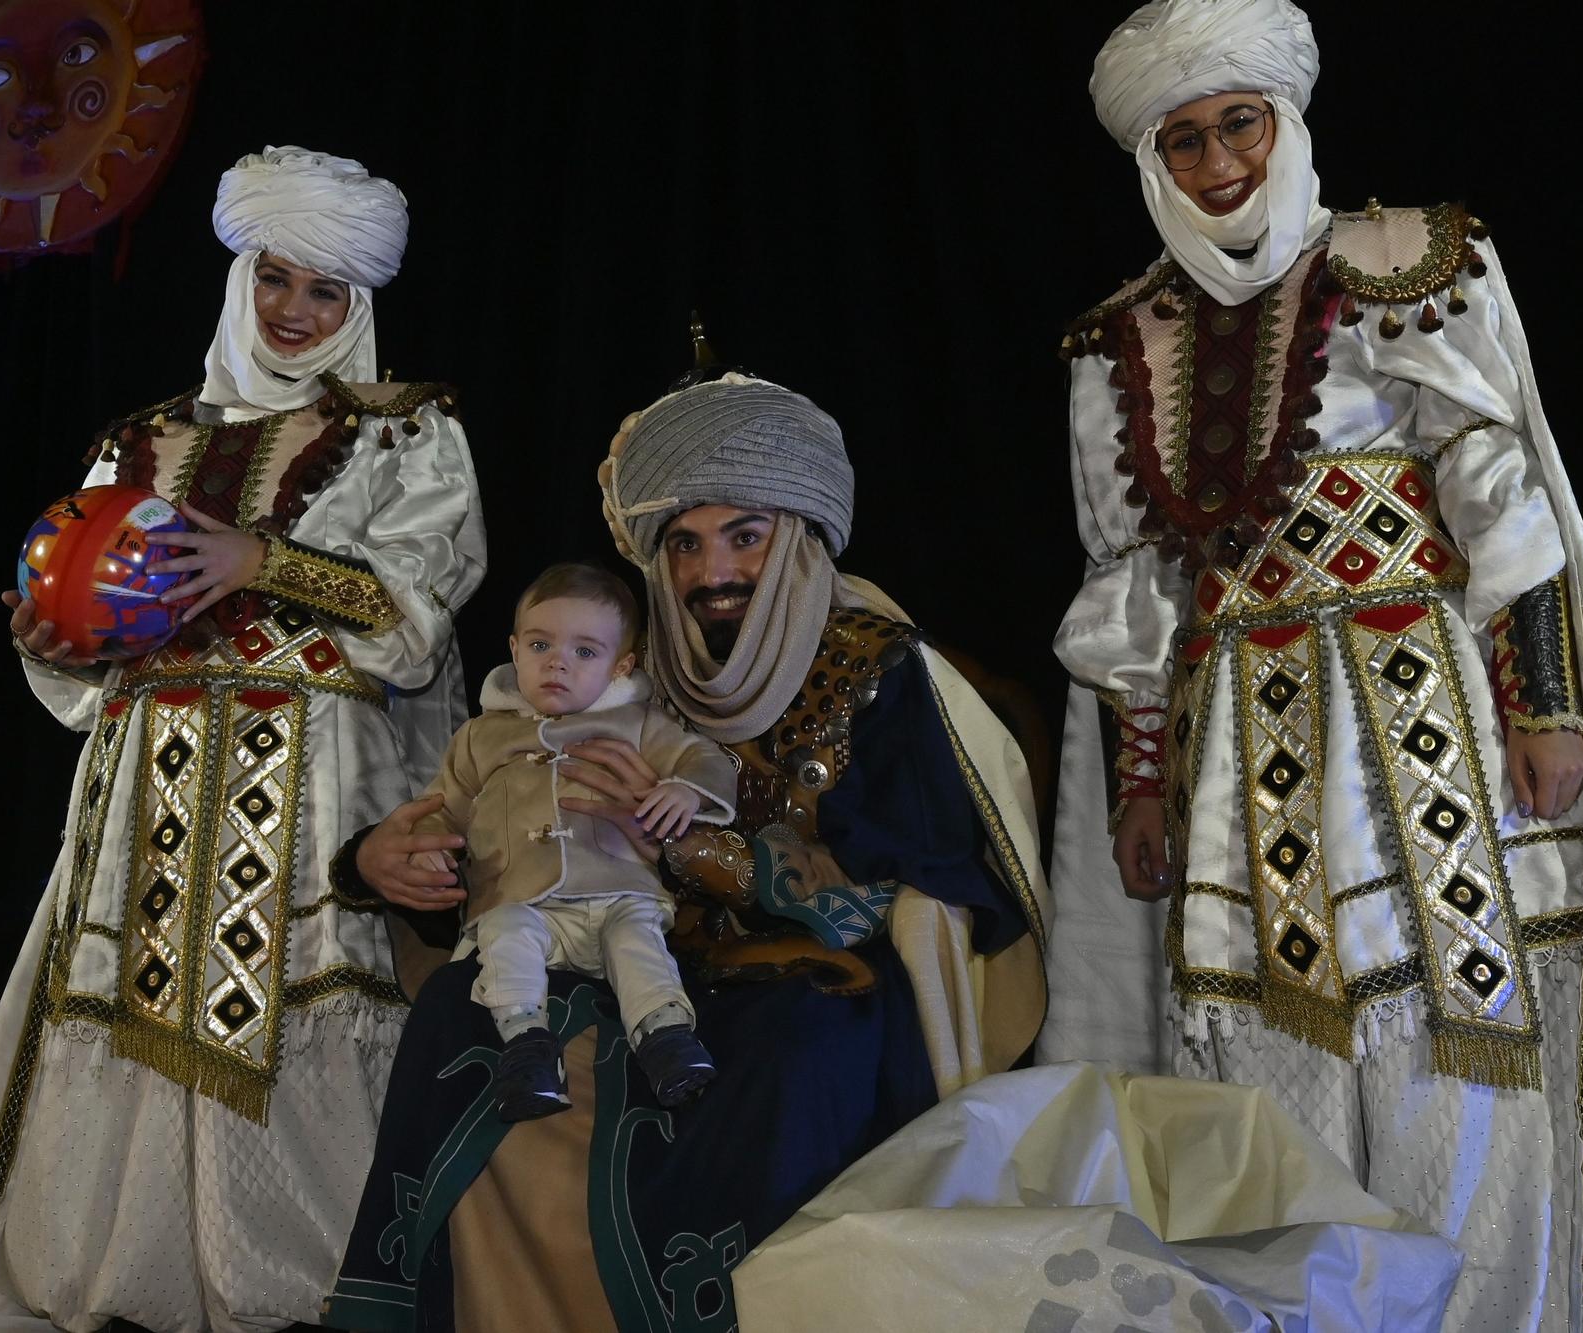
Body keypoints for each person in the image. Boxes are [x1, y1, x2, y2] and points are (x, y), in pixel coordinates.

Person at [1040, 2, 1583, 1327]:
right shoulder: (1118, 342)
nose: (1219, 163)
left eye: (1239, 125)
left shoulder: (1407, 261)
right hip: (1230, 770)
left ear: (1287, 121)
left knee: (1466, 1047)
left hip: (1423, 719)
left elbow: (1502, 499)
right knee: (1255, 1062)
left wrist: (1545, 707)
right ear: (1151, 158)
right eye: (1186, 138)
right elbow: (1128, 591)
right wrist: (1135, 784)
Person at [0, 147, 487, 1332]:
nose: (296, 313)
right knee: (121, 1015)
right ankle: (104, 1281)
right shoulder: (138, 440)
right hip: (146, 780)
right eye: (276, 279)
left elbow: (419, 613)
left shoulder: (408, 432)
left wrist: (263, 561)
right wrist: (51, 643)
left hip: (308, 786)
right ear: (239, 277)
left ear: (359, 306)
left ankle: (306, 1296)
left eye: (325, 294)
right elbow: (93, 629)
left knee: (300, 1025)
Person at [322, 367, 1048, 1331]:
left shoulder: (879, 670)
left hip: (812, 977)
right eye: (686, 543)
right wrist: (379, 866)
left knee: (789, 1051)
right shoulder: (618, 664)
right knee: (464, 1010)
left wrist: (706, 849)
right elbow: (496, 822)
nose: (712, 574)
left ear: (796, 535)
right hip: (624, 946)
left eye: (743, 535)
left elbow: (926, 889)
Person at [407, 562, 737, 1120]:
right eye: (541, 644)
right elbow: (443, 805)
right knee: (505, 934)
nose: (558, 661)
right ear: (514, 650)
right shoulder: (480, 737)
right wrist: (431, 845)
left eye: (586, 652)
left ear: (619, 667)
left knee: (637, 942)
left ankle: (665, 1038)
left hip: (617, 890)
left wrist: (684, 789)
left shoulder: (637, 723)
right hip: (523, 900)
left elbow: (703, 757)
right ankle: (527, 1046)